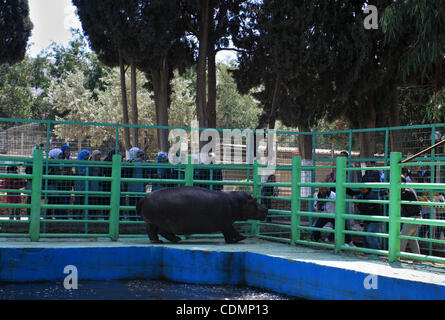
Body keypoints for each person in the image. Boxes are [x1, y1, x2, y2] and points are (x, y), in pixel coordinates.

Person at [347, 175, 383, 250]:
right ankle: (368, 251)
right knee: (366, 236)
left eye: (362, 187)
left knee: (369, 235)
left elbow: (367, 209)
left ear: (366, 188)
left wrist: (358, 204)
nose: (360, 188)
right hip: (368, 219)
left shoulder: (371, 196)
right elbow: (352, 193)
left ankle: (376, 252)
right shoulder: (364, 194)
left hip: (374, 219)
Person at [400, 176, 421, 254]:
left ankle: (397, 256)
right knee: (412, 239)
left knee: (402, 237)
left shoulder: (406, 191)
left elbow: (400, 199)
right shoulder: (408, 189)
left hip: (412, 217)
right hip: (415, 216)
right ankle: (417, 258)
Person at [126, 147, 146, 220]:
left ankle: (139, 216)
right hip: (132, 184)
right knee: (132, 200)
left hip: (140, 183)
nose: (139, 154)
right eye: (137, 153)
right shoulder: (130, 162)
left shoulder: (141, 162)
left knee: (140, 200)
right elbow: (127, 172)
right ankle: (132, 217)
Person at [46, 148, 64, 219]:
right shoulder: (52, 162)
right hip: (52, 184)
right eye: (59, 155)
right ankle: (48, 216)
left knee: (53, 200)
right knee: (51, 200)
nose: (60, 157)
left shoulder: (57, 162)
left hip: (55, 184)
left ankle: (50, 215)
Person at [73, 150, 90, 219]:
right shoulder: (79, 162)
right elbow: (80, 172)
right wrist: (87, 169)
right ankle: (76, 215)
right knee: (78, 199)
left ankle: (81, 215)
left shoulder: (86, 162)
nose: (88, 156)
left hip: (84, 183)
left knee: (83, 199)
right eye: (87, 155)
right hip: (79, 183)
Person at [88, 150, 103, 219]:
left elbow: (102, 173)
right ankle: (91, 214)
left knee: (97, 198)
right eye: (98, 155)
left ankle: (96, 214)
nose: (99, 156)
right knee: (92, 198)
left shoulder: (100, 163)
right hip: (92, 183)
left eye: (100, 155)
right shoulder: (91, 162)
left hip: (98, 183)